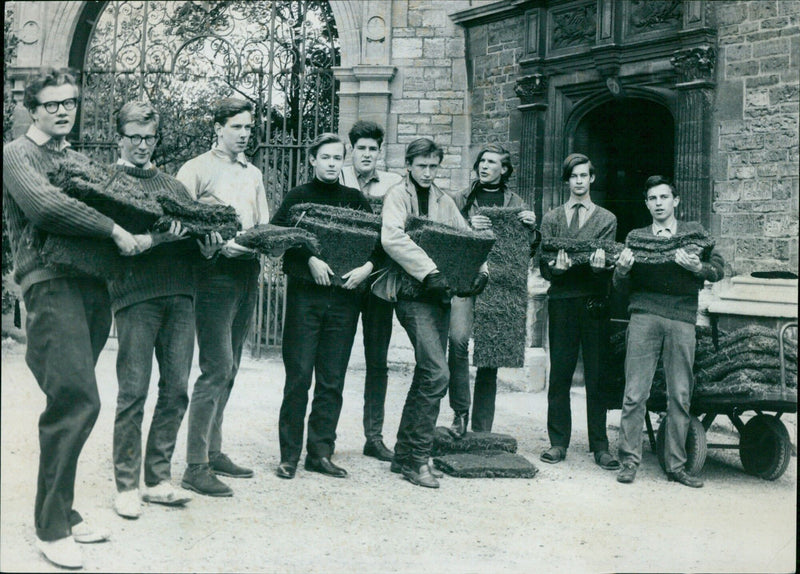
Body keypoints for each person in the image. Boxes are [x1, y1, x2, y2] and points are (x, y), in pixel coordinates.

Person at [3, 68, 141, 569]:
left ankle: (63, 507)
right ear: (32, 108)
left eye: (71, 102)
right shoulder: (17, 155)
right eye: (53, 103)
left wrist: (166, 224)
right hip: (49, 283)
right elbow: (46, 208)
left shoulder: (79, 159)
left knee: (74, 402)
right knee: (76, 399)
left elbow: (127, 202)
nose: (64, 110)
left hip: (90, 287)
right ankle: (51, 527)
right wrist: (112, 228)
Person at [374, 138, 488, 488]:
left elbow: (466, 238)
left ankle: (405, 454)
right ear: (408, 165)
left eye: (433, 166)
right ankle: (418, 460)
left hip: (440, 297)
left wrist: (481, 271)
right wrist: (430, 272)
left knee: (428, 372)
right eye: (421, 166)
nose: (427, 172)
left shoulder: (444, 200)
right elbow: (392, 238)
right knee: (438, 374)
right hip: (411, 295)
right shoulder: (397, 195)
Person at [108, 101, 198, 518]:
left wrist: (205, 241)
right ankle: (126, 486)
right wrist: (158, 238)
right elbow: (109, 245)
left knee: (177, 389)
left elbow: (195, 240)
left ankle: (157, 479)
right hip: (135, 298)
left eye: (150, 137)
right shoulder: (109, 184)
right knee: (133, 392)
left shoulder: (175, 188)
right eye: (135, 137)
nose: (143, 145)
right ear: (120, 138)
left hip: (181, 296)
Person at [176, 97, 270, 497]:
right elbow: (177, 219)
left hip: (246, 272)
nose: (245, 134)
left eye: (249, 127)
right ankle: (194, 466)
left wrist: (257, 245)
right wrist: (211, 242)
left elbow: (263, 223)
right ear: (217, 127)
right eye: (237, 126)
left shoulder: (253, 173)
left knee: (230, 368)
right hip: (212, 273)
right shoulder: (197, 169)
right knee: (216, 367)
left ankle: (213, 451)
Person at [271, 133, 378, 480]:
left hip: (344, 301)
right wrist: (309, 258)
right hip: (306, 298)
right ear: (312, 160)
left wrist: (368, 268)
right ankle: (289, 456)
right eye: (325, 158)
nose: (332, 163)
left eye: (337, 158)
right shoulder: (298, 197)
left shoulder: (354, 199)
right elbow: (277, 234)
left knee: (332, 380)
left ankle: (320, 452)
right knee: (299, 377)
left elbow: (377, 241)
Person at [614, 176, 724, 487]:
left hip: (681, 318)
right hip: (644, 316)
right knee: (635, 392)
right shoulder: (635, 237)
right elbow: (620, 288)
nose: (659, 203)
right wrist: (621, 270)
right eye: (653, 198)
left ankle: (676, 465)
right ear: (646, 204)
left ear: (676, 201)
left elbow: (718, 269)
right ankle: (629, 461)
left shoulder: (695, 234)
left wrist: (696, 269)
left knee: (680, 392)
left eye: (664, 197)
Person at [445, 144, 537, 437]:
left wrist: (532, 228)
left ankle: (482, 427)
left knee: (490, 355)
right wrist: (469, 225)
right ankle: (460, 413)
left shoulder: (516, 202)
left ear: (505, 170)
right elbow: (446, 232)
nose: (484, 166)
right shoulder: (461, 198)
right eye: (482, 161)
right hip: (465, 279)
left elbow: (530, 249)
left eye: (492, 162)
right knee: (458, 342)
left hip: (499, 284)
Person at [538, 153, 619, 471]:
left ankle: (600, 445)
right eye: (574, 176)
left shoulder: (606, 219)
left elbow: (605, 261)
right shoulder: (552, 218)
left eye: (584, 175)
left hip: (594, 301)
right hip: (561, 300)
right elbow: (544, 263)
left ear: (592, 178)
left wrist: (598, 269)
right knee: (560, 372)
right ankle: (558, 442)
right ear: (567, 181)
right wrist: (556, 270)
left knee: (597, 374)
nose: (579, 181)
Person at [341, 120, 403, 462]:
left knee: (378, 361)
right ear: (352, 150)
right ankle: (324, 437)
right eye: (361, 148)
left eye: (373, 149)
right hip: (344, 283)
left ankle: (374, 436)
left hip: (378, 281)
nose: (367, 154)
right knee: (333, 360)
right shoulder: (339, 177)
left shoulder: (393, 184)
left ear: (380, 152)